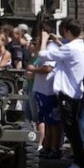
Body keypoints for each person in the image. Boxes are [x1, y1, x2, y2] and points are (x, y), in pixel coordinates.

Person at [38, 17, 84, 168]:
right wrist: (59, 42)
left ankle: (79, 165)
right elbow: (66, 49)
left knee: (72, 133)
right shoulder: (79, 46)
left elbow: (43, 55)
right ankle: (79, 163)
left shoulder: (70, 49)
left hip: (68, 95)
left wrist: (44, 40)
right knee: (75, 131)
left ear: (67, 31)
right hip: (76, 95)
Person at [25, 29, 62, 159]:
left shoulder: (51, 47)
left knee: (53, 122)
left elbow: (48, 68)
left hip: (48, 91)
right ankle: (47, 146)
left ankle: (55, 148)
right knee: (45, 121)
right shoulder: (44, 47)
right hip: (40, 90)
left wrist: (33, 69)